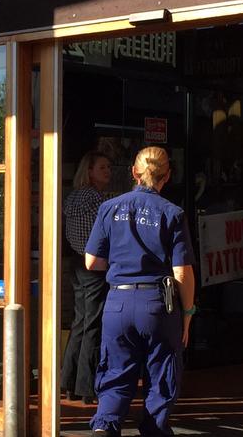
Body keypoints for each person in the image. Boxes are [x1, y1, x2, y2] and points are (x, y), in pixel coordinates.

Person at [84, 146, 196, 437]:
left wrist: (122, 258)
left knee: (115, 372)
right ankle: (154, 428)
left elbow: (92, 260)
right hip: (158, 304)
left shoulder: (109, 207)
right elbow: (182, 272)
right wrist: (187, 314)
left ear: (134, 173)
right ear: (167, 176)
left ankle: (104, 426)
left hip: (118, 302)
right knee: (161, 374)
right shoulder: (173, 213)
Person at [61, 150, 112, 404]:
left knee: (80, 322)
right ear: (89, 171)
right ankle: (86, 386)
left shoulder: (72, 198)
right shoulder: (96, 200)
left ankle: (67, 381)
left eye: (108, 167)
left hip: (76, 263)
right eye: (102, 167)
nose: (107, 171)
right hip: (94, 266)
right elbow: (105, 235)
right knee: (92, 324)